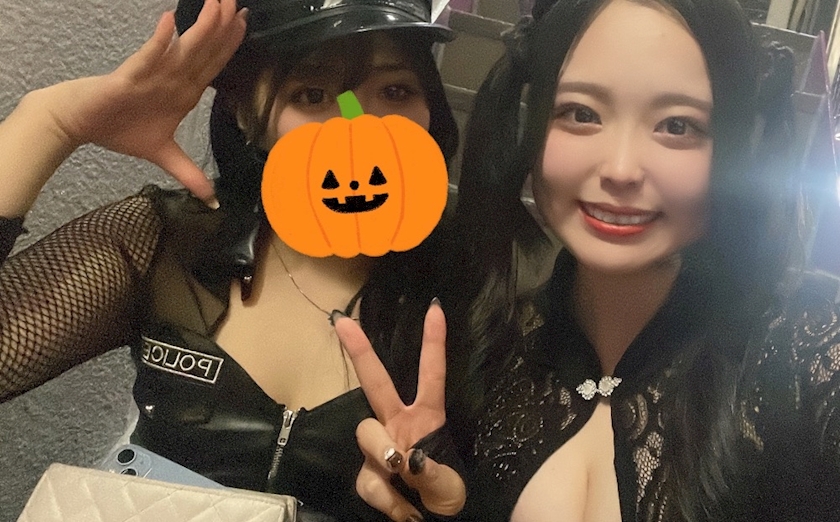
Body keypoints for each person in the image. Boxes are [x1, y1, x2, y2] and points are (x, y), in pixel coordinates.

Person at [337, 0, 840, 519]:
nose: (621, 169)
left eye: (677, 125)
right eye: (582, 114)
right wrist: (441, 506)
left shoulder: (807, 351)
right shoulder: (490, 353)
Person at [0, 0, 464, 519]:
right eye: (312, 95)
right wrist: (50, 121)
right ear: (247, 116)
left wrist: (448, 504)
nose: (358, 126)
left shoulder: (472, 282)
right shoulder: (167, 241)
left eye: (396, 91)